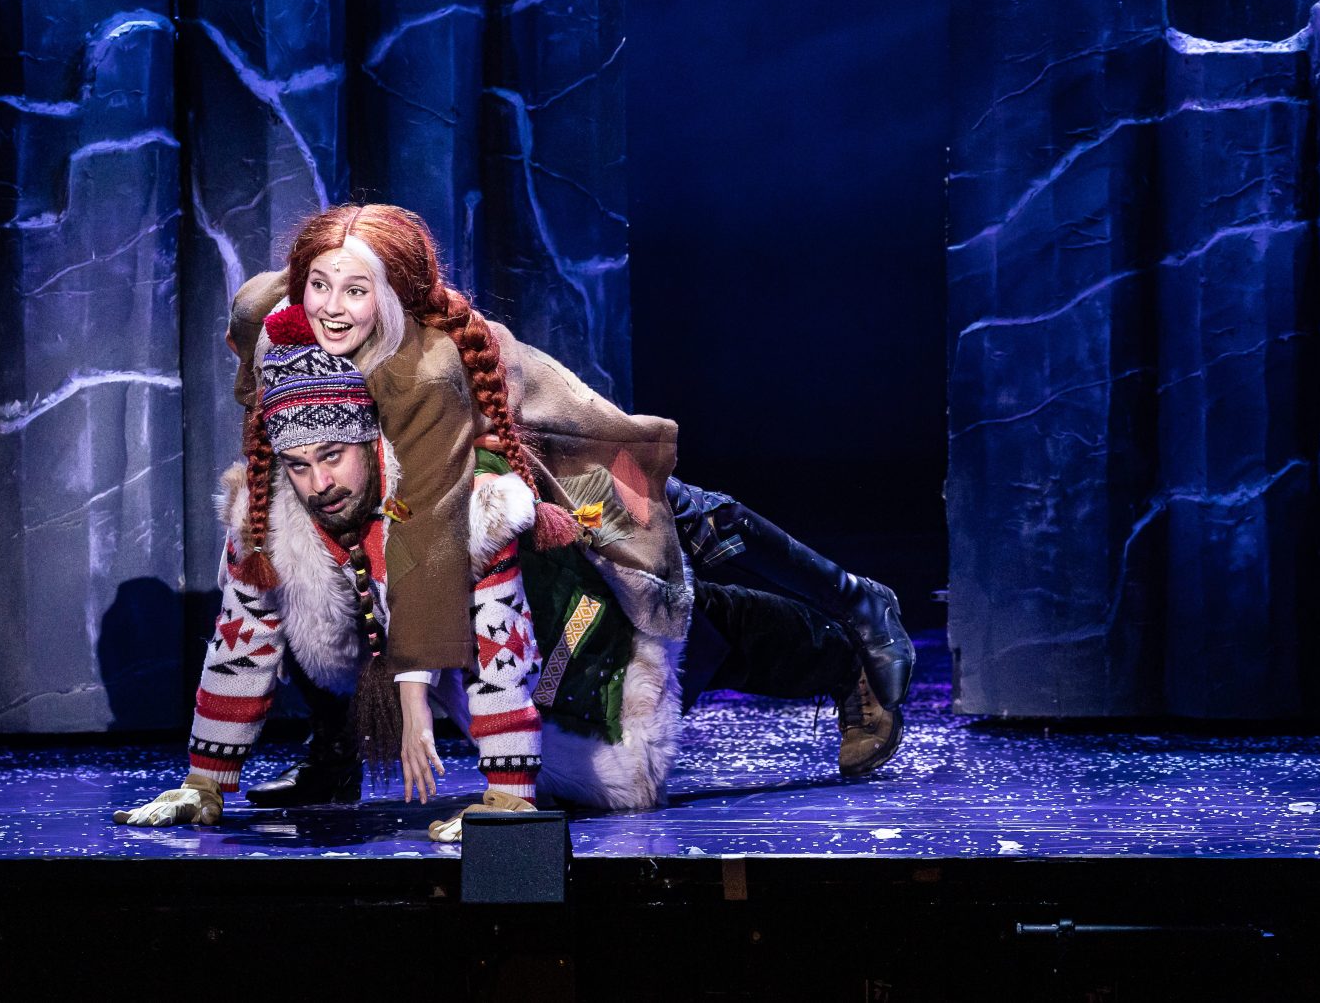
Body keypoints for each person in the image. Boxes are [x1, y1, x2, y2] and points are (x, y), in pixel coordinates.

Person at [223, 205, 914, 795]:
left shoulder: (430, 369)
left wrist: (412, 699)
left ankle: (851, 618)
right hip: (432, 484)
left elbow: (433, 518)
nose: (329, 308)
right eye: (317, 286)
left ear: (393, 293)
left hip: (548, 455)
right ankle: (335, 749)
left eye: (353, 291)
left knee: (666, 563)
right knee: (292, 538)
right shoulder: (279, 319)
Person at [116, 310, 690, 838]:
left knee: (720, 633)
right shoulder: (268, 520)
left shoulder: (452, 502)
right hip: (460, 635)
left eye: (332, 455)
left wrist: (510, 796)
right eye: (299, 465)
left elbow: (501, 645)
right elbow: (241, 645)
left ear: (369, 440)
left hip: (581, 605)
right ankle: (331, 757)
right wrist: (204, 783)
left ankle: (715, 545)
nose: (320, 484)